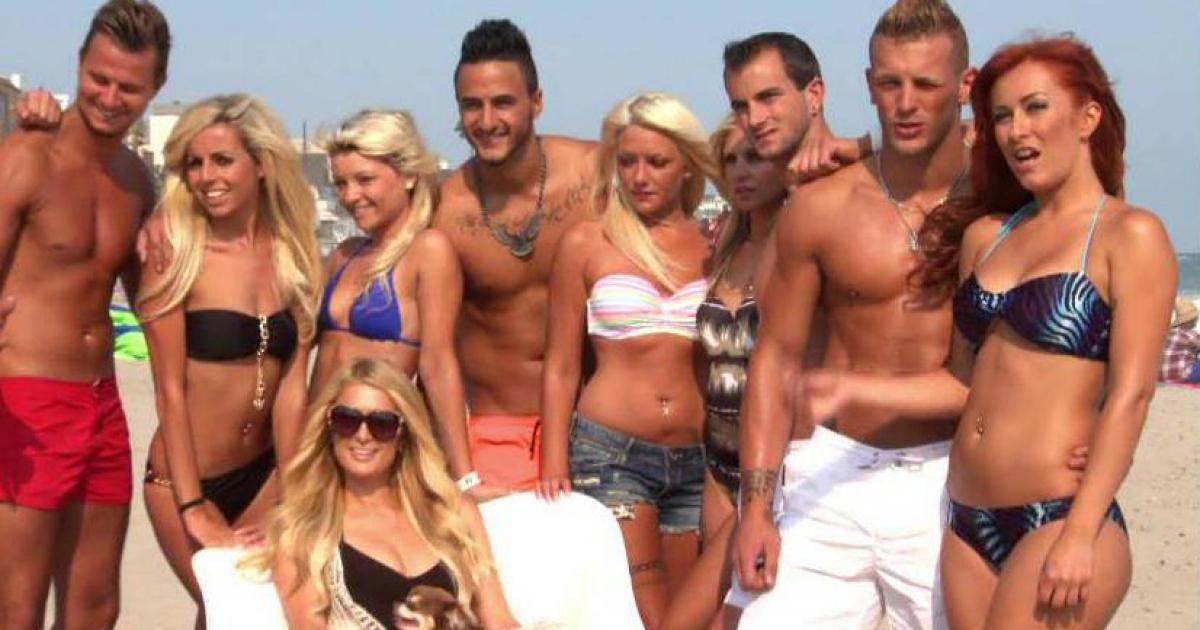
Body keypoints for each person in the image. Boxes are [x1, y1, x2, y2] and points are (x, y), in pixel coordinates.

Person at [909, 35, 1175, 628]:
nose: (1015, 130)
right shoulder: (986, 236)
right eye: (1002, 116)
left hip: (1060, 516)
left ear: (1088, 117)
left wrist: (1081, 532)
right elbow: (961, 383)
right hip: (966, 519)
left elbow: (1132, 393)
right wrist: (844, 392)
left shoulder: (1129, 235)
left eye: (1035, 107)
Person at [727, 3, 975, 627]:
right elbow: (775, 357)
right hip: (834, 467)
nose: (906, 103)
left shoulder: (996, 202)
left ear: (964, 86)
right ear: (868, 84)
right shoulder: (822, 206)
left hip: (949, 475)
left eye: (926, 84)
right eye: (890, 83)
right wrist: (755, 507)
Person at [0, 2, 169, 627]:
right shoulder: (27, 157)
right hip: (26, 396)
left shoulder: (136, 180)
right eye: (99, 79)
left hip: (102, 405)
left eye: (130, 87)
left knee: (95, 605)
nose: (110, 98)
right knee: (15, 605)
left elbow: (153, 305)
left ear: (156, 88)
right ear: (78, 65)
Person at [136, 93, 321, 626]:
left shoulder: (292, 252)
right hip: (184, 480)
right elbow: (169, 390)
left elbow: (291, 390)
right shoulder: (175, 253)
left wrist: (293, 490)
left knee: (246, 616)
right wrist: (193, 505)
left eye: (222, 160)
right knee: (234, 611)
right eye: (194, 164)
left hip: (264, 476)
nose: (206, 177)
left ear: (261, 164)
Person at [537, 91, 719, 627]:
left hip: (697, 456)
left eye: (657, 162)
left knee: (688, 616)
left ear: (688, 165)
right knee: (642, 614)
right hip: (610, 454)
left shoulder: (717, 243)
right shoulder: (587, 243)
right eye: (628, 161)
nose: (640, 176)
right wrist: (552, 462)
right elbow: (561, 364)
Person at [431, 19, 599, 494]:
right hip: (497, 438)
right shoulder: (444, 210)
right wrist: (457, 468)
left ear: (536, 102)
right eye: (472, 105)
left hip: (600, 432)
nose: (487, 121)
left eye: (503, 102)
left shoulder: (595, 176)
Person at [247, 358, 518, 629]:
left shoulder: (454, 512)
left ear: (403, 435)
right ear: (329, 429)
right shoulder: (301, 530)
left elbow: (500, 621)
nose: (362, 435)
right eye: (347, 420)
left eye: (382, 423)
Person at [661, 116, 789, 630]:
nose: (740, 171)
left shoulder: (799, 250)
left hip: (777, 467)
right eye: (731, 160)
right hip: (718, 463)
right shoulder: (723, 251)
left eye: (754, 157)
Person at [313, 110, 479, 495]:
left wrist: (464, 477)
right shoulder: (343, 255)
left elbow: (438, 365)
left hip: (376, 444)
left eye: (364, 180)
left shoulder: (428, 251)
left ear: (408, 175)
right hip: (321, 444)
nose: (350, 196)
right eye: (341, 183)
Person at [1160, 298, 1200, 383]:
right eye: (1196, 318)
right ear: (1191, 320)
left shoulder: (1166, 333)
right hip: (1181, 375)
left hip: (1162, 376)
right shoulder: (1190, 335)